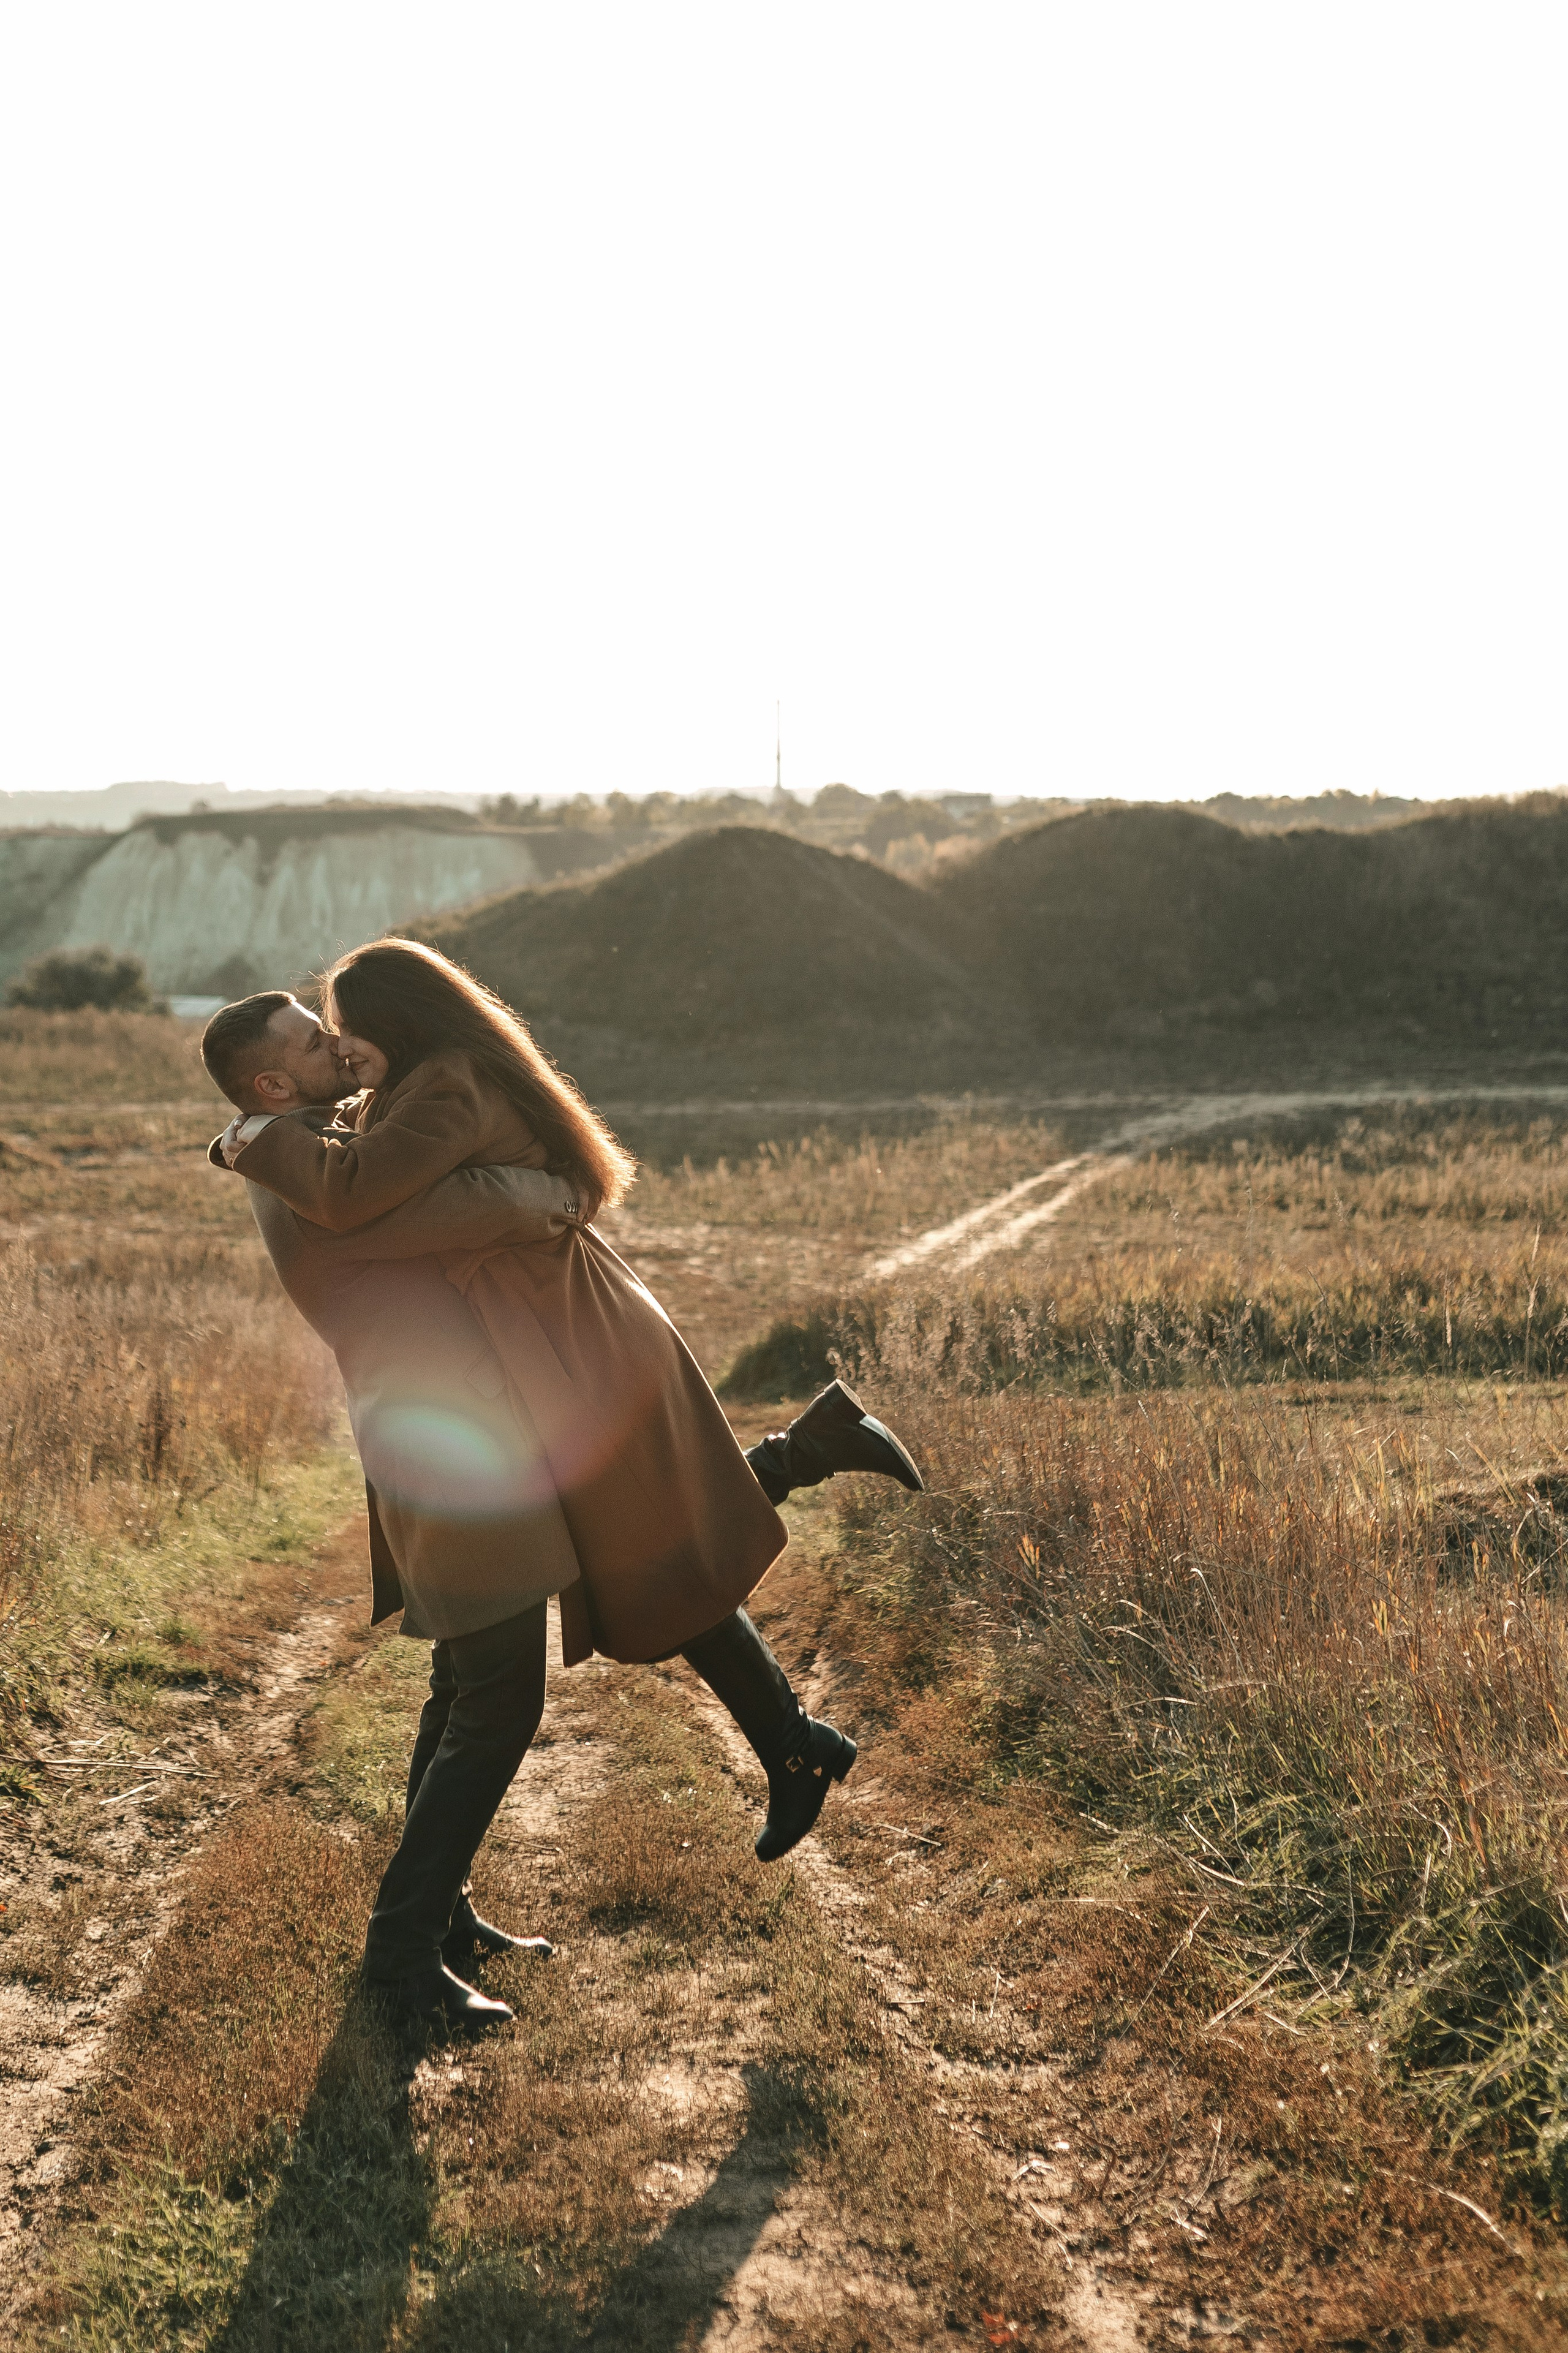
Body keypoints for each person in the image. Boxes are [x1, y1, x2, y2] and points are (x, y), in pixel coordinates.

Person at [202, 964, 922, 2036]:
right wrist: (544, 1194)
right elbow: (435, 1206)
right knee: (498, 1694)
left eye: (339, 1028)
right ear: (268, 1085)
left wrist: (537, 1191)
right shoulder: (307, 1172)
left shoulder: (329, 1144)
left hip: (479, 1427)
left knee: (497, 1663)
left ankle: (433, 1929)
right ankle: (401, 1963)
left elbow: (426, 1179)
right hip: (448, 1448)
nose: (338, 1051)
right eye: (315, 1041)